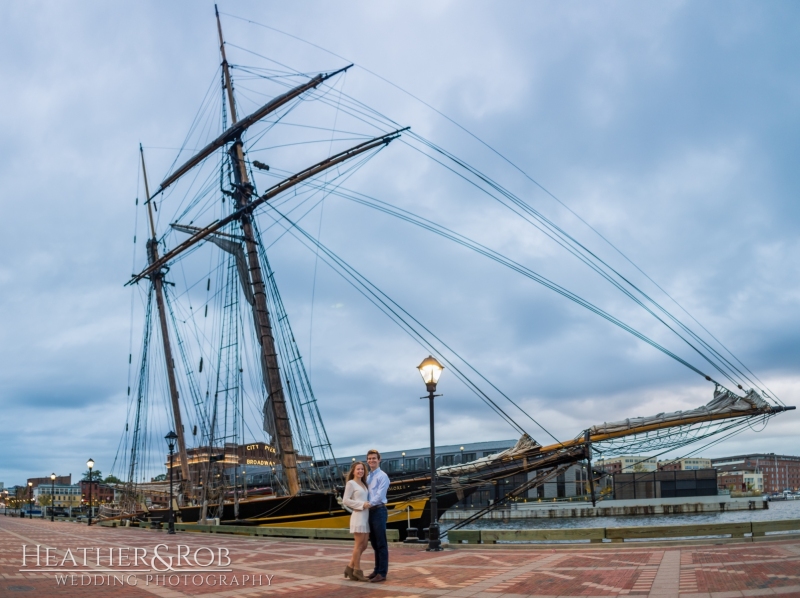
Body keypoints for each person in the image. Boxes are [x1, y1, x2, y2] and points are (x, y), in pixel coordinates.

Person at [341, 461, 371, 582]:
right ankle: (357, 571)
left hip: (366, 516)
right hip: (358, 515)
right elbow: (345, 501)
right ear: (353, 471)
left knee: (364, 545)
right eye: (358, 469)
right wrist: (361, 505)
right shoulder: (351, 483)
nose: (360, 471)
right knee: (358, 545)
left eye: (362, 469)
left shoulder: (364, 484)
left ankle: (349, 567)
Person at [366, 448, 390, 583]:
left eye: (374, 458)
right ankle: (376, 570)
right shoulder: (368, 477)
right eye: (369, 459)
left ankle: (382, 572)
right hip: (370, 511)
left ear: (379, 460)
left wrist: (367, 504)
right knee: (374, 543)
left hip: (379, 510)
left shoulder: (383, 476)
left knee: (381, 543)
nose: (371, 460)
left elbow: (380, 496)